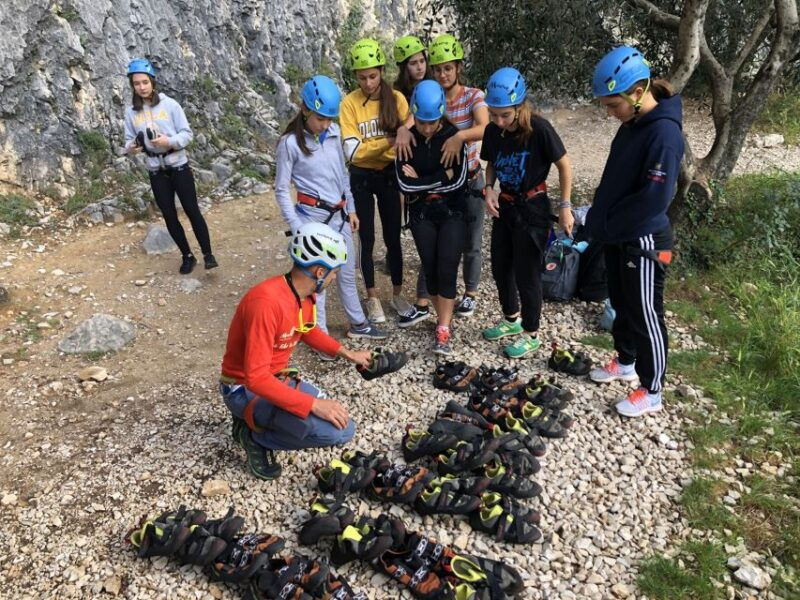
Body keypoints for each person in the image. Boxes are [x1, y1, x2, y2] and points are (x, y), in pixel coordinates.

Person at [219, 222, 373, 480]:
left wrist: (347, 353)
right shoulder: (265, 303)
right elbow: (256, 378)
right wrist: (313, 404)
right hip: (242, 388)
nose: (334, 278)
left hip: (275, 379)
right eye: (334, 273)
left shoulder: (304, 295)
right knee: (329, 432)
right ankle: (254, 437)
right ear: (320, 271)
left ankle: (257, 420)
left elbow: (307, 330)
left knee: (344, 429)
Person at [586, 47, 683, 418]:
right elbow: (616, 179)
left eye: (613, 105)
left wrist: (607, 224)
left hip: (644, 239)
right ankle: (625, 361)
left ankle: (652, 388)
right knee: (622, 303)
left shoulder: (664, 135)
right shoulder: (632, 124)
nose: (610, 113)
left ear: (638, 92)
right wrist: (597, 218)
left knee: (645, 312)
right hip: (618, 234)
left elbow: (653, 199)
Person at [274, 75, 386, 349]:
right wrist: (297, 227)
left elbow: (342, 175)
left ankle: (358, 324)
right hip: (312, 219)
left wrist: (352, 209)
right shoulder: (290, 144)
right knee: (318, 283)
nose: (325, 124)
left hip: (340, 216)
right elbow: (281, 189)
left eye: (328, 118)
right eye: (320, 118)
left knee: (346, 273)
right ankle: (321, 339)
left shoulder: (334, 133)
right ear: (305, 110)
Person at [481, 67, 574, 359]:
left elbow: (564, 166)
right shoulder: (492, 131)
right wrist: (488, 189)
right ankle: (511, 319)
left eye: (505, 115)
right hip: (505, 206)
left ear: (519, 107)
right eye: (493, 114)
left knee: (527, 273)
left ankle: (531, 333)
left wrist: (566, 206)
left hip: (533, 208)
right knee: (500, 266)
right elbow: (491, 164)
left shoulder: (539, 129)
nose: (499, 121)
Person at [397, 34, 489, 326]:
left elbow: (485, 127)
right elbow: (414, 121)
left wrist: (460, 136)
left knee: (471, 242)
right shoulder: (430, 97)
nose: (443, 74)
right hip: (439, 184)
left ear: (458, 67)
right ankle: (424, 301)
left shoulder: (472, 96)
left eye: (448, 68)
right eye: (437, 69)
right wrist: (402, 130)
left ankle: (470, 292)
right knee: (432, 250)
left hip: (469, 176)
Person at [340, 39, 413, 324]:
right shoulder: (349, 104)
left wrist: (375, 146)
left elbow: (408, 136)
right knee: (367, 238)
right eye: (362, 77)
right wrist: (388, 141)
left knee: (393, 236)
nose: (368, 83)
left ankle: (397, 293)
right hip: (360, 176)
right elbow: (352, 152)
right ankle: (372, 297)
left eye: (372, 76)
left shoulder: (396, 99)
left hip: (389, 174)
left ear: (381, 71)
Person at [123, 58, 217, 275]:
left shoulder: (170, 105)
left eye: (145, 82)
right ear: (132, 86)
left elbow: (187, 134)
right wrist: (132, 146)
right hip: (155, 169)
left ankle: (208, 254)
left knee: (192, 209)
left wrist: (169, 141)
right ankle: (187, 256)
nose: (141, 87)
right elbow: (128, 141)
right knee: (168, 214)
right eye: (136, 83)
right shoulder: (131, 113)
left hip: (178, 165)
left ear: (152, 82)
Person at [395, 80, 469, 354]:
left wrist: (421, 180)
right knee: (431, 268)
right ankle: (442, 318)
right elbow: (403, 184)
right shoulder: (406, 139)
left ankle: (444, 328)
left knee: (447, 266)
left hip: (452, 212)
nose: (427, 128)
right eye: (422, 123)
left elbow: (458, 181)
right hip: (422, 214)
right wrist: (439, 177)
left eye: (432, 123)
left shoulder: (453, 136)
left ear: (441, 115)